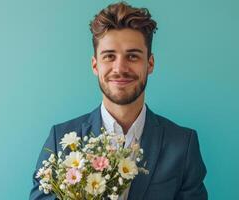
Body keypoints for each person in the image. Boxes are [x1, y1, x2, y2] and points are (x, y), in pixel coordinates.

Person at [29, 2, 208, 200]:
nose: (120, 68)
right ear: (95, 65)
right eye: (109, 56)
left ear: (150, 63)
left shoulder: (183, 144)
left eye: (132, 56)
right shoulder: (59, 141)